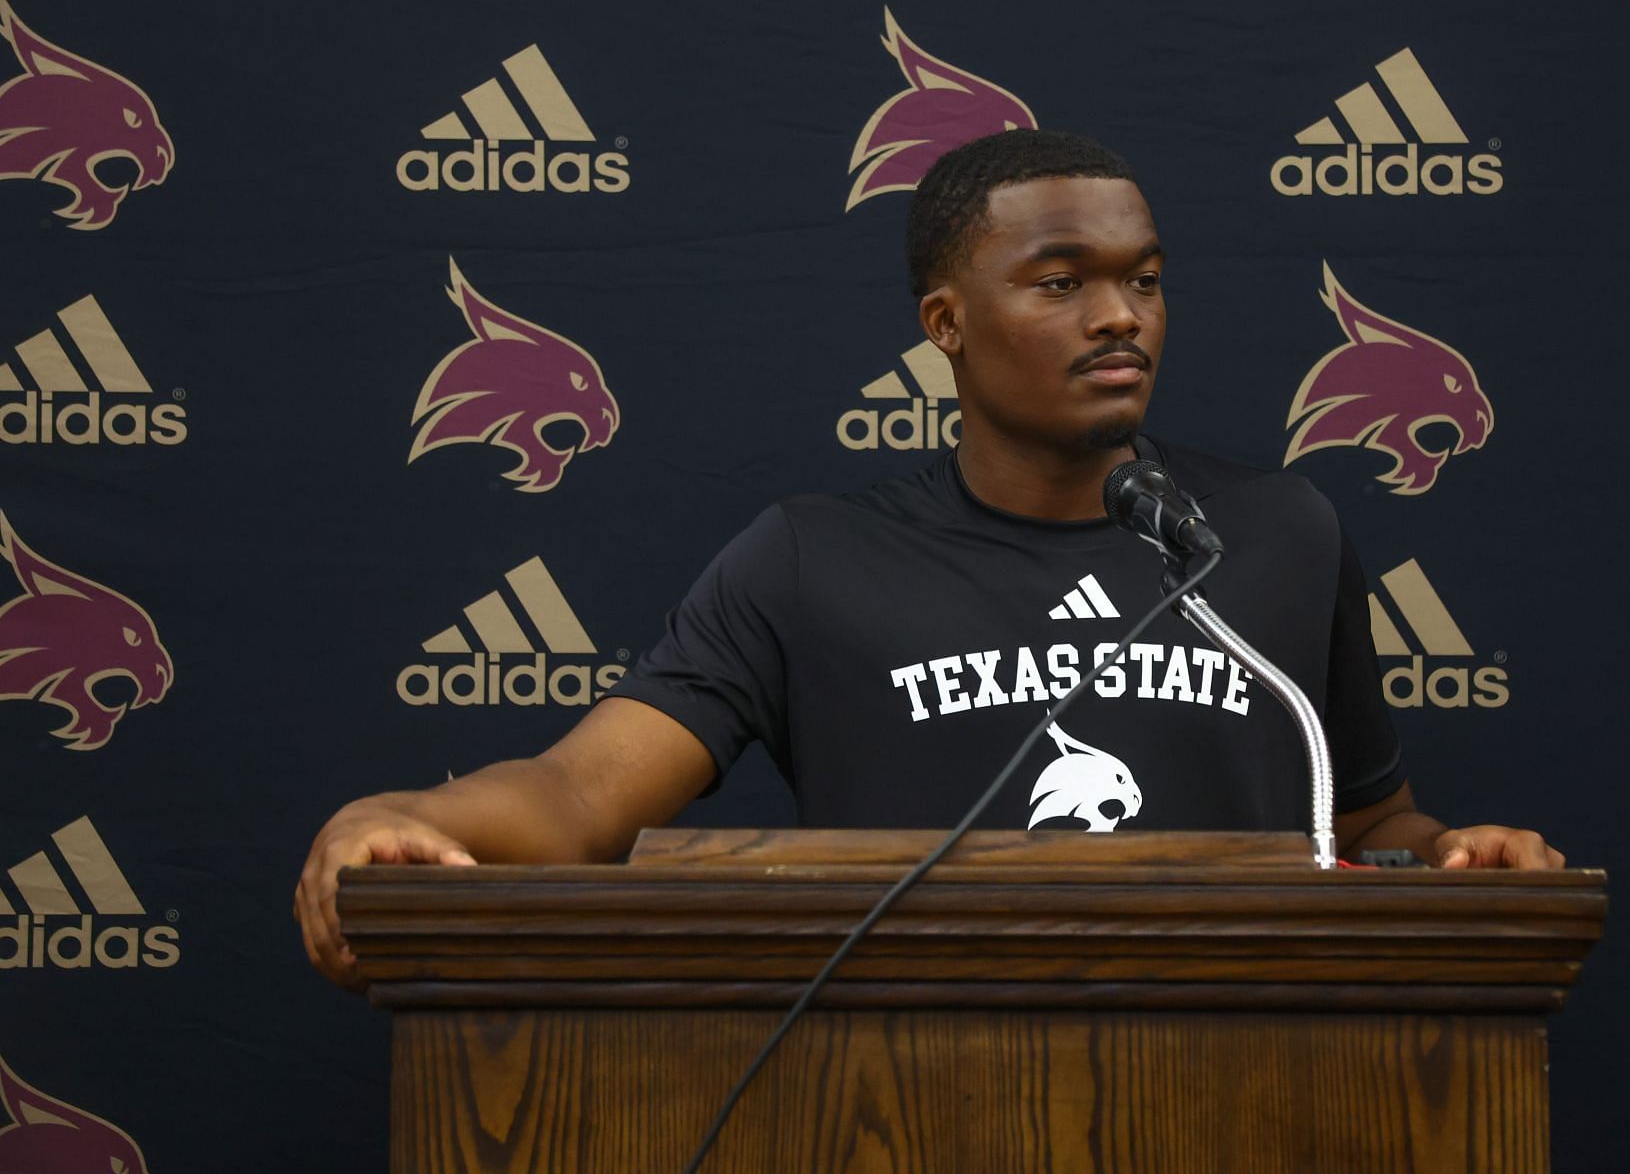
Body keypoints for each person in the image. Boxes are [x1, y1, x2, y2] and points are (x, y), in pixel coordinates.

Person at [295, 130, 1565, 990]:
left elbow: (1363, 825)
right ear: (946, 324)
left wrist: (1465, 852)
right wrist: (397, 817)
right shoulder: (812, 560)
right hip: (901, 1093)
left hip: (1250, 1080)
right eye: (1060, 280)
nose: (1120, 313)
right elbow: (580, 798)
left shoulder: (1279, 531)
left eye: (1145, 278)